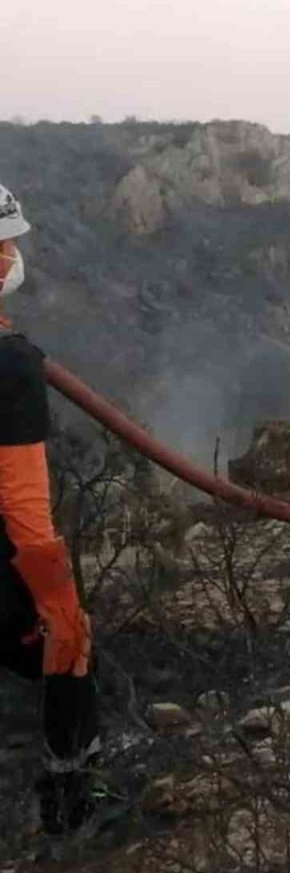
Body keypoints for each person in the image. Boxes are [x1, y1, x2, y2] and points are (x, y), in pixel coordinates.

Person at [0, 184, 102, 833]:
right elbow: (21, 499)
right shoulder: (9, 365)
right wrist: (55, 595)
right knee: (67, 645)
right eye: (1, 245)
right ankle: (73, 814)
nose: (10, 256)